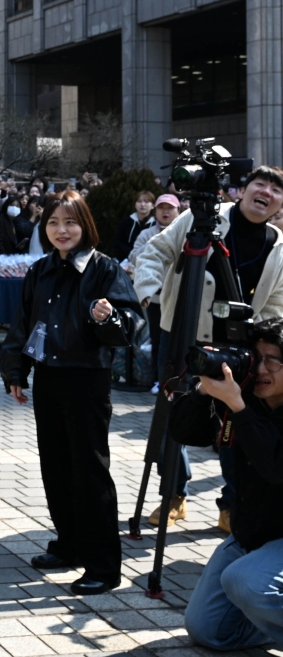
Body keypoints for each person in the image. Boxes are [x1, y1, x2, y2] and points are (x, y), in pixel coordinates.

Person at [0, 190, 142, 595]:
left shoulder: (105, 269)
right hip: (49, 377)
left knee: (89, 472)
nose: (61, 230)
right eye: (53, 223)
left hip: (87, 381)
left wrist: (108, 317)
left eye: (70, 222)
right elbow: (24, 323)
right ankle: (69, 545)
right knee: (56, 467)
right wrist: (15, 370)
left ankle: (103, 567)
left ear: (85, 225)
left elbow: (130, 327)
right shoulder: (40, 269)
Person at [135, 167, 283, 532]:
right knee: (175, 415)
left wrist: (260, 343)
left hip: (237, 348)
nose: (266, 192)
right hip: (183, 334)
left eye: (276, 189)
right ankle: (173, 494)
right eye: (260, 184)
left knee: (237, 421)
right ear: (243, 190)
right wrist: (150, 293)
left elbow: (276, 304)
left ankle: (232, 504)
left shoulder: (279, 245)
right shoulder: (202, 218)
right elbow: (157, 251)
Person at [174, 318, 283, 650]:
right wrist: (203, 391)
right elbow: (183, 432)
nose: (260, 369)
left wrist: (239, 407)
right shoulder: (245, 396)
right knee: (208, 630)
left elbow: (276, 468)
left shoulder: (242, 404)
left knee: (247, 582)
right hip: (253, 533)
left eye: (273, 361)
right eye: (256, 358)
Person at [112, 190, 157, 262]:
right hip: (125, 260)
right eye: (139, 201)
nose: (142, 204)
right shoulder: (126, 222)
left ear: (153, 206)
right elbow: (118, 242)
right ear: (135, 205)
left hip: (148, 261)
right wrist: (131, 254)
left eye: (146, 201)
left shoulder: (156, 224)